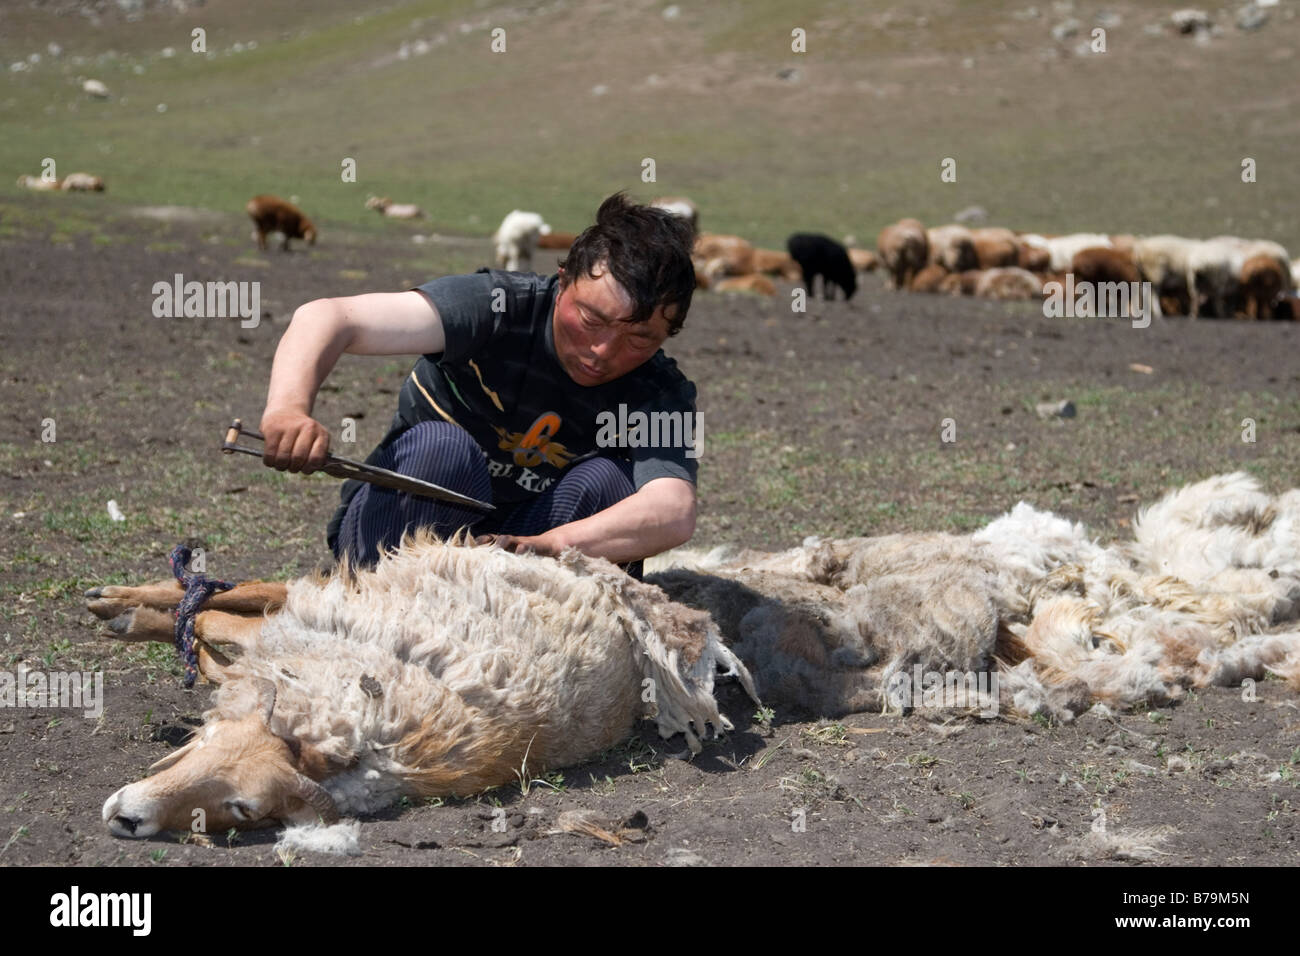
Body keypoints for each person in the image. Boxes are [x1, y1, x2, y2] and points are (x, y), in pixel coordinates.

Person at [258, 192, 700, 575]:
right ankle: (375, 611)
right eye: (590, 320)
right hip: (407, 525)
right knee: (442, 449)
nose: (602, 351)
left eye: (639, 338)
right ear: (562, 280)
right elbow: (328, 317)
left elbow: (672, 511)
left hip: (533, 541)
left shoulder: (659, 390)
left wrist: (546, 547)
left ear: (668, 333)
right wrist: (288, 410)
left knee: (608, 483)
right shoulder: (496, 306)